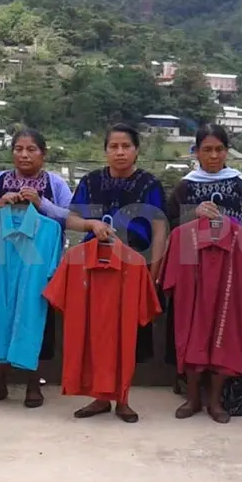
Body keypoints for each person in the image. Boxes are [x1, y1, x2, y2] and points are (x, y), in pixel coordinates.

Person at [165, 126, 242, 423]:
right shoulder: (185, 187)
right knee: (193, 330)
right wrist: (192, 215)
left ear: (226, 151)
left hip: (232, 265)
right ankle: (193, 398)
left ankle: (216, 401)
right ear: (196, 152)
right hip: (192, 262)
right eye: (206, 149)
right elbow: (168, 223)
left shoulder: (241, 184)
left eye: (219, 150)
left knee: (226, 332)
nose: (213, 156)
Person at [65, 123, 168, 422]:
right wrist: (91, 225)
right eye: (114, 146)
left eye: (126, 146)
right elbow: (71, 218)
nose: (120, 152)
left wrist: (154, 273)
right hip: (95, 268)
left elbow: (160, 230)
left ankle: (122, 398)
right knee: (97, 333)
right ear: (106, 150)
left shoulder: (149, 185)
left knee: (128, 335)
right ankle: (99, 398)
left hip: (134, 269)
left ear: (137, 150)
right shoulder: (91, 181)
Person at [0, 129, 72, 408]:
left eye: (31, 149)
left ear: (44, 153)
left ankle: (33, 383)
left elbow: (71, 216)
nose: (24, 155)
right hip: (0, 257)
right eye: (18, 149)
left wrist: (42, 204)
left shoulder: (55, 184)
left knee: (35, 316)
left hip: (38, 261)